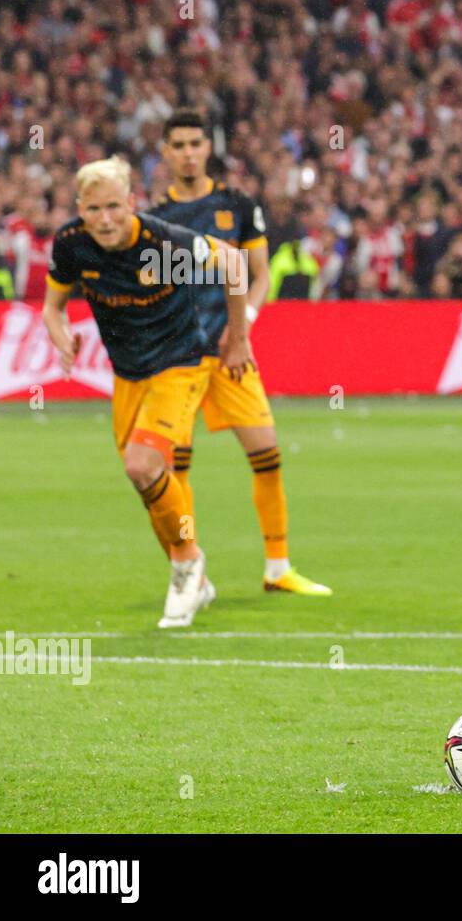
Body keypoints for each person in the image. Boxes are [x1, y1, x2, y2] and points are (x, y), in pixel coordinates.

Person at [42, 156, 252, 628]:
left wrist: (237, 336)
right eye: (94, 209)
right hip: (129, 376)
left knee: (142, 463)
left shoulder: (162, 245)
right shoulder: (73, 245)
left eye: (114, 206)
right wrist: (61, 336)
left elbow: (234, 264)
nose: (106, 219)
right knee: (148, 484)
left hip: (180, 366)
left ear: (133, 203)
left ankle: (187, 564)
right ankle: (192, 577)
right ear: (80, 209)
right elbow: (52, 307)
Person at [150, 109, 332, 597]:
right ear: (165, 152)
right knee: (175, 470)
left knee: (267, 452)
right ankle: (192, 574)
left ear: (208, 148)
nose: (189, 153)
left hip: (232, 351)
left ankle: (278, 568)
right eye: (179, 145)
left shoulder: (237, 204)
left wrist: (242, 328)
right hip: (181, 359)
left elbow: (260, 275)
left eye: (196, 143)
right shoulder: (155, 220)